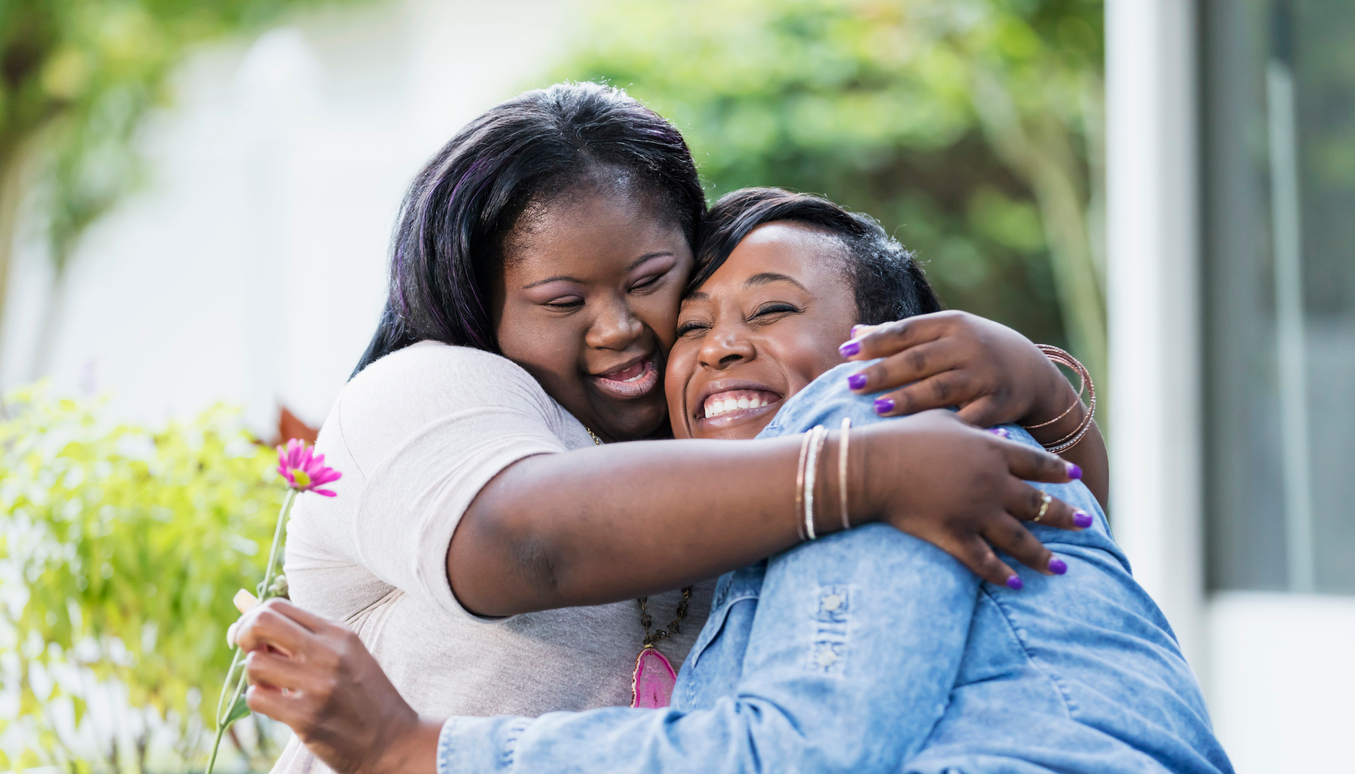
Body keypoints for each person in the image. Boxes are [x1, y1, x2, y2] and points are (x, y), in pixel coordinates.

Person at [233, 189, 1231, 774]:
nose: (716, 348)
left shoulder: (872, 424)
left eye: (770, 310)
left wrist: (418, 749)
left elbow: (800, 751)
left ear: (891, 340)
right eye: (696, 323)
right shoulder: (789, 499)